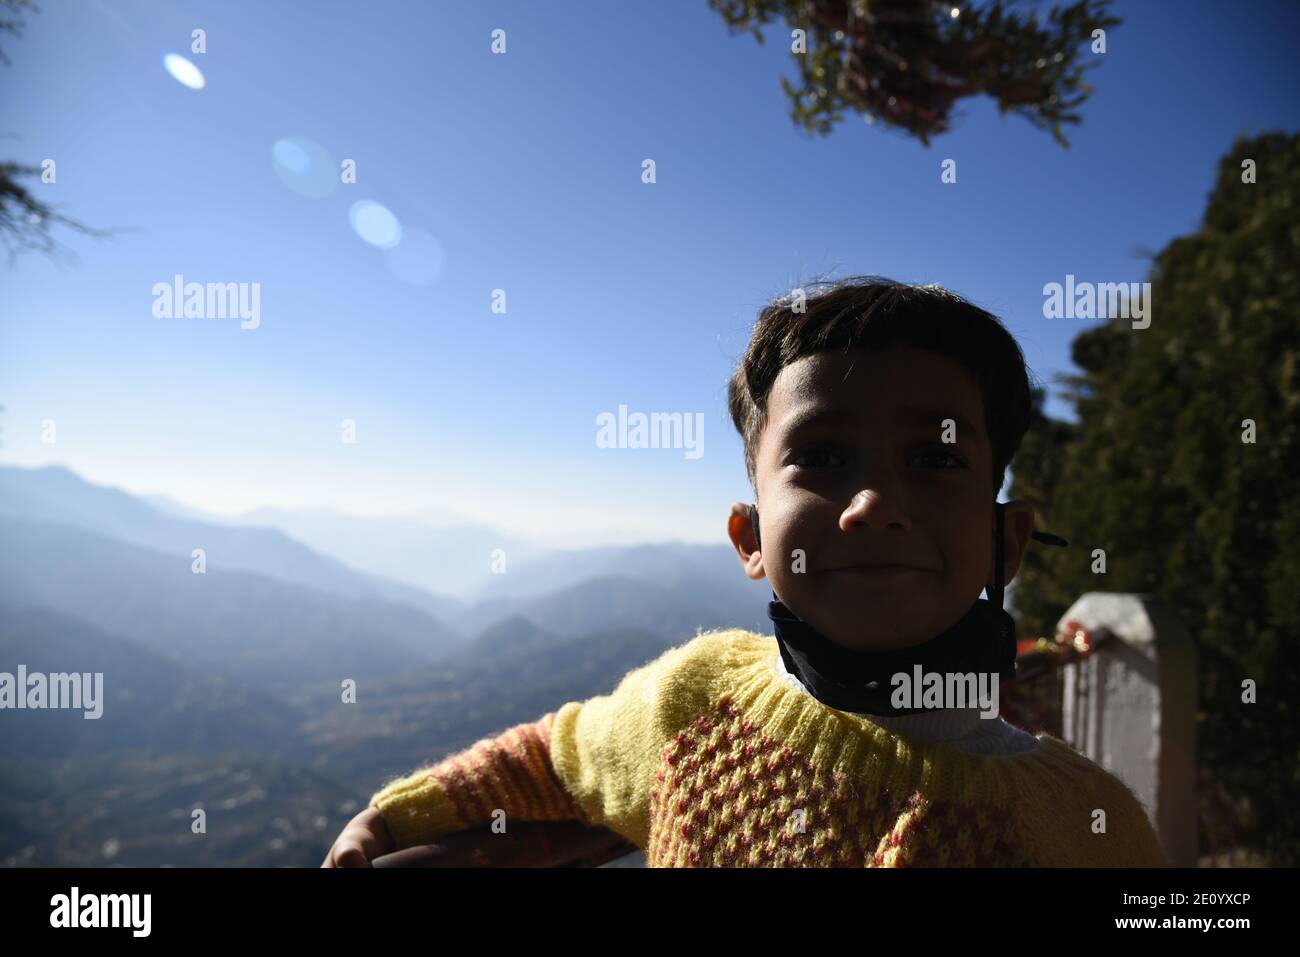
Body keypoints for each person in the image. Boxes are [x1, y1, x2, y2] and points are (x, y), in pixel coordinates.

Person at [322, 275, 1167, 867]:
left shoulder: (1086, 831)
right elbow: (557, 756)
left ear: (1007, 543)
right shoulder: (695, 700)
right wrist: (397, 814)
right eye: (824, 454)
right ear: (749, 535)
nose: (872, 501)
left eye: (934, 456)